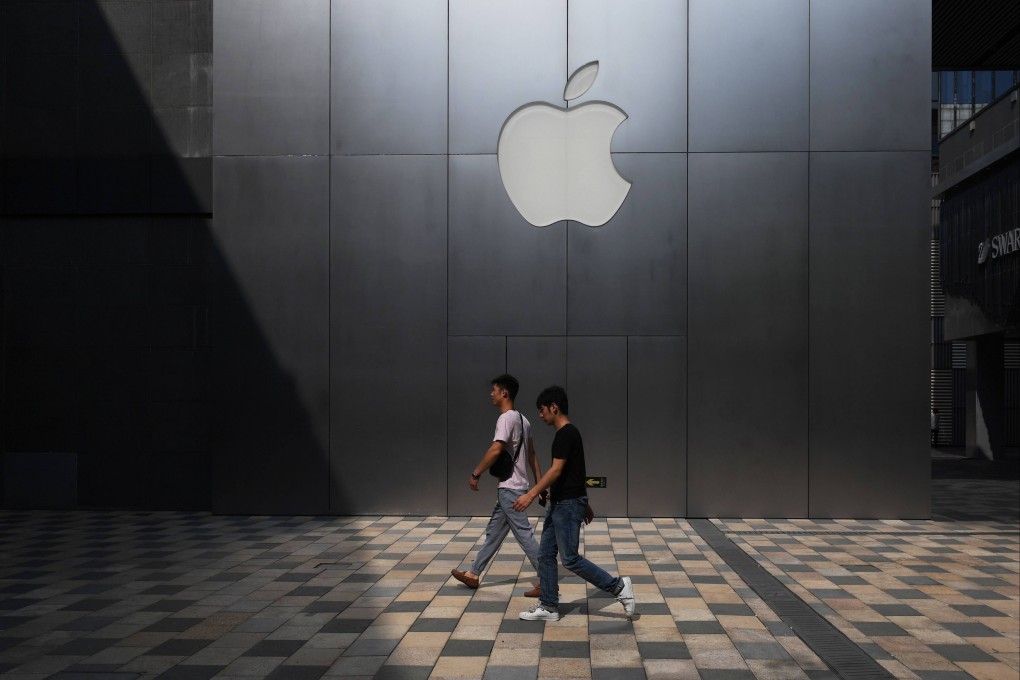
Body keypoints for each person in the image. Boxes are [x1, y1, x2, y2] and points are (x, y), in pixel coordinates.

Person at [511, 385, 635, 622]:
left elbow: (557, 471)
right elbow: (575, 472)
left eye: (542, 409)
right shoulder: (569, 434)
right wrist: (583, 502)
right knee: (546, 555)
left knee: (569, 558)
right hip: (562, 503)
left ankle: (618, 587)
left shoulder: (566, 434)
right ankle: (549, 606)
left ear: (553, 407)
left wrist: (531, 494)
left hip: (566, 505)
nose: (540, 414)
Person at [451, 374, 545, 598]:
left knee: (524, 536)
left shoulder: (505, 419)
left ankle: (548, 580)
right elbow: (532, 456)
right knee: (494, 532)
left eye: (494, 390)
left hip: (511, 488)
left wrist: (476, 473)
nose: (491, 394)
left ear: (505, 393)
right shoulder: (524, 420)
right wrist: (540, 485)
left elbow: (496, 449)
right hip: (516, 486)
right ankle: (473, 574)